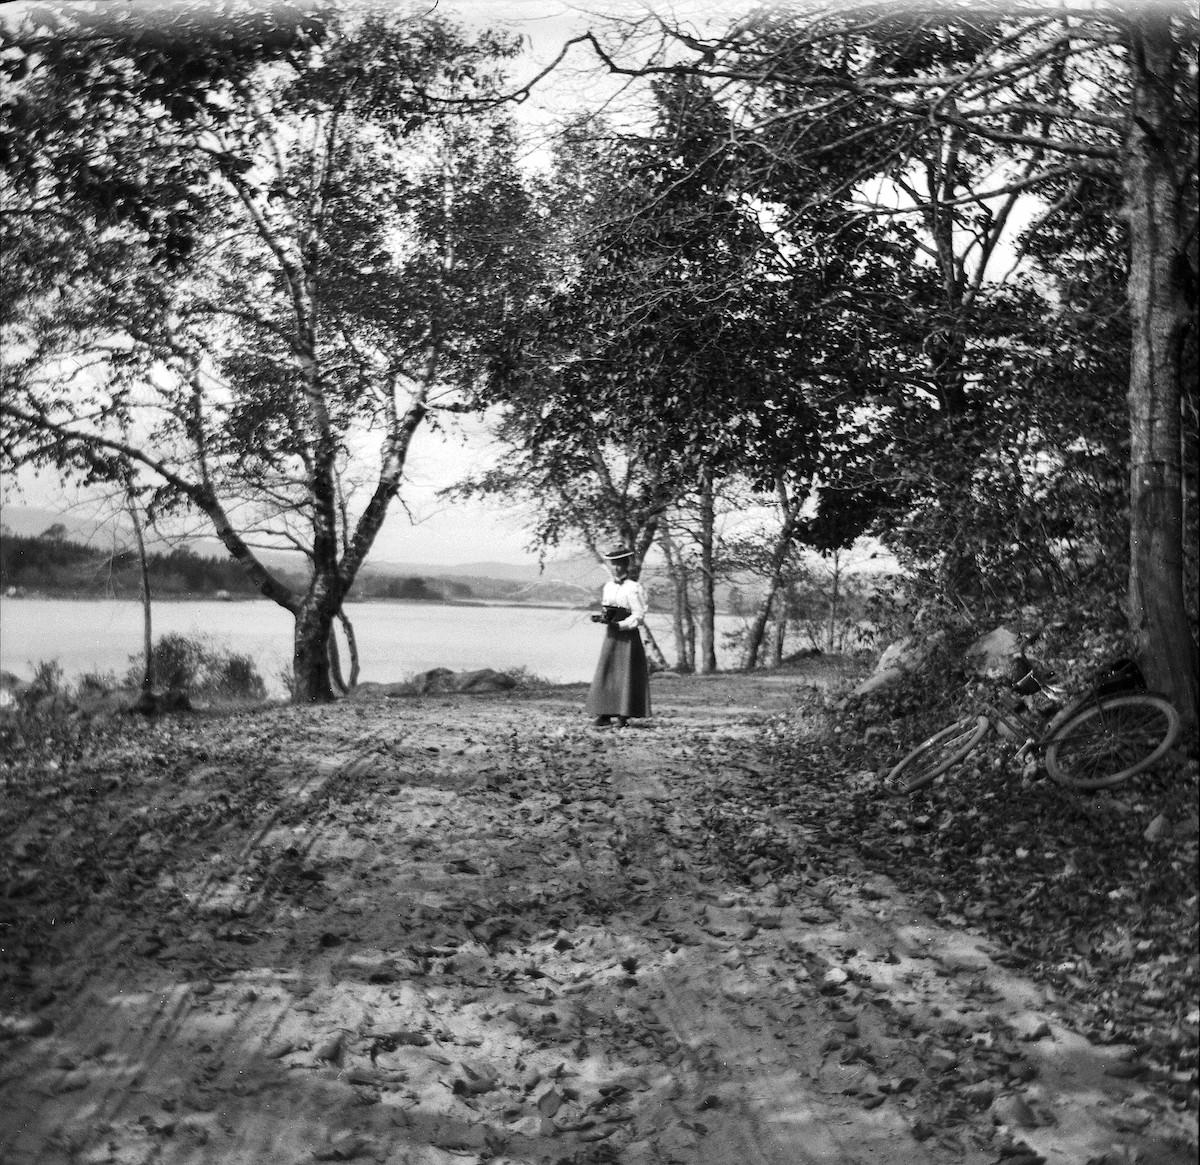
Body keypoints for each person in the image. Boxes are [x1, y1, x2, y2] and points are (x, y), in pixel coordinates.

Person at [586, 545, 650, 728]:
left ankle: (624, 714)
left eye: (620, 564)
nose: (616, 568)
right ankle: (604, 713)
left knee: (625, 672)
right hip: (611, 634)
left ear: (627, 565)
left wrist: (620, 624)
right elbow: (608, 608)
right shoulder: (608, 587)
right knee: (607, 671)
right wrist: (603, 618)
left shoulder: (634, 588)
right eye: (613, 564)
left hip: (627, 634)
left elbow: (638, 615)